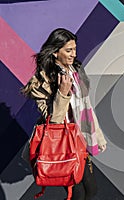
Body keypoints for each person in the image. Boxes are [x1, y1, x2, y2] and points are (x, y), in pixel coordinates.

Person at [21, 28, 107, 200]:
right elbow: (54, 121)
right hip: (61, 144)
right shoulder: (42, 81)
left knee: (91, 189)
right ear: (54, 52)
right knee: (78, 192)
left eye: (74, 49)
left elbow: (86, 106)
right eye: (68, 50)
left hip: (80, 137)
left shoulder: (75, 70)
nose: (73, 54)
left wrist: (98, 136)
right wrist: (62, 93)